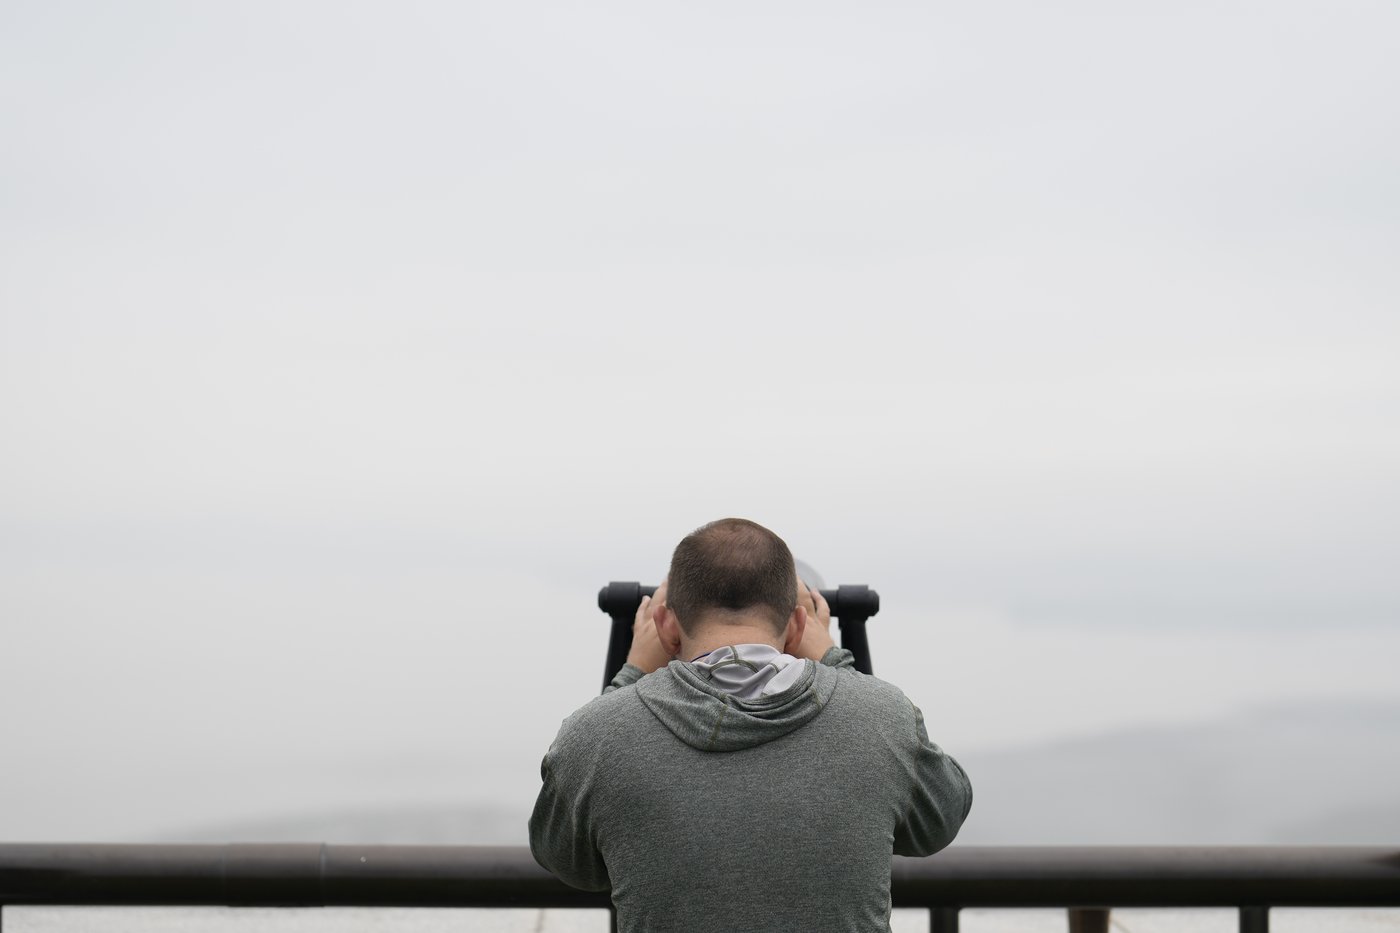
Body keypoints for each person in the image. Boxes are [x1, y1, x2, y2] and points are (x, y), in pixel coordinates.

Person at [529, 518, 972, 933]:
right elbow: (938, 822)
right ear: (799, 624)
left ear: (664, 624)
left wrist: (630, 677)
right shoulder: (882, 718)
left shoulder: (596, 736)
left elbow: (568, 860)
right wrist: (838, 664)